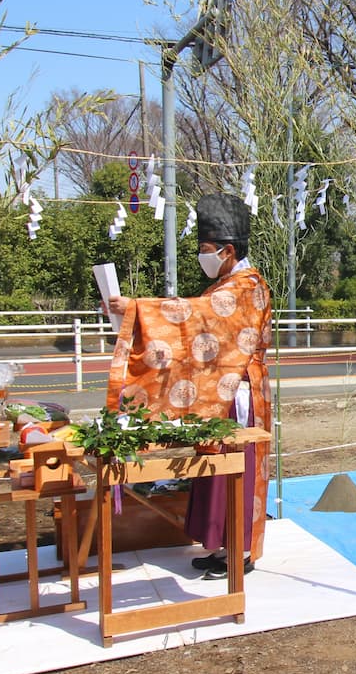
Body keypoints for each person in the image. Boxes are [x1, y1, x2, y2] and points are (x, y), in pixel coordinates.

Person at [105, 193, 272, 580]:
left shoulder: (245, 287)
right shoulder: (229, 284)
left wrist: (136, 308)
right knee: (215, 468)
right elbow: (199, 324)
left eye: (206, 250)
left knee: (236, 470)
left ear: (228, 250)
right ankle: (220, 545)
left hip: (238, 391)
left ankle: (239, 551)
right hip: (221, 391)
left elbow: (195, 315)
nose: (203, 256)